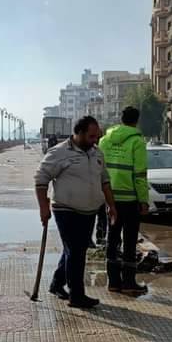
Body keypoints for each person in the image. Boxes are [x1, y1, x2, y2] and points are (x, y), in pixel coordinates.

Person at [35, 116, 117, 309]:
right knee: (76, 251)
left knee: (74, 249)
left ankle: (57, 283)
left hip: (89, 211)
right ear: (78, 133)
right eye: (91, 136)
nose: (95, 140)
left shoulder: (97, 153)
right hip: (66, 210)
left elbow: (105, 181)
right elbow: (41, 179)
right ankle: (77, 295)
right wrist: (43, 207)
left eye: (97, 136)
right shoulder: (59, 152)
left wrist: (111, 205)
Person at [98, 106, 151, 294]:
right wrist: (144, 201)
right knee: (129, 241)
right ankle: (128, 283)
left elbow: (100, 170)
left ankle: (113, 282)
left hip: (110, 199)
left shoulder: (104, 140)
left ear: (121, 119)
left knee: (112, 239)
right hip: (130, 200)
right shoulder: (137, 141)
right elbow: (140, 175)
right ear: (136, 121)